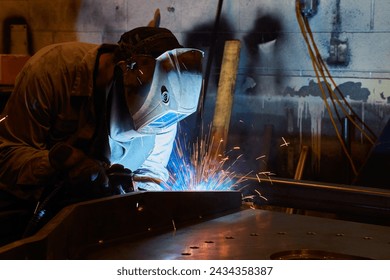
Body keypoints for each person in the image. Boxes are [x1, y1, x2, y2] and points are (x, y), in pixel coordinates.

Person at [0, 27, 203, 215]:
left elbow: (151, 173)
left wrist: (136, 197)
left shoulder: (165, 107)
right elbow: (6, 155)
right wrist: (56, 164)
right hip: (28, 210)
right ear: (122, 73)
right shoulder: (52, 72)